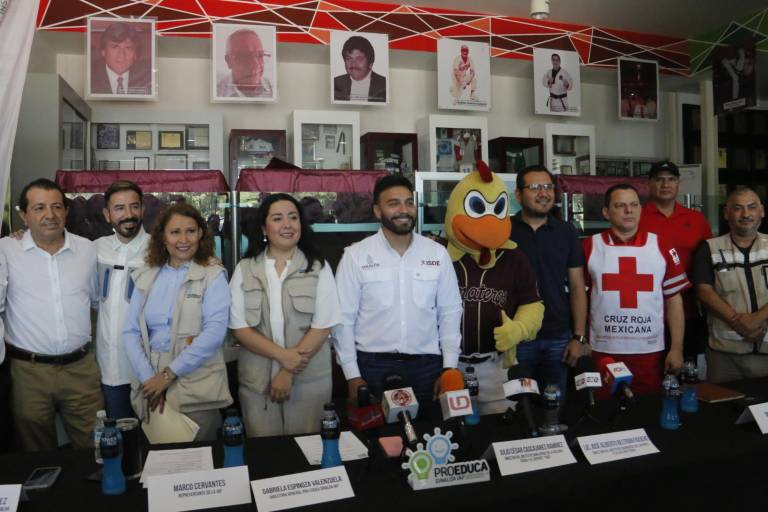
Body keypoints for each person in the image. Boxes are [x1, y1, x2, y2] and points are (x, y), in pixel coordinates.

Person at [333, 174, 462, 408]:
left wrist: (450, 367)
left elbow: (450, 312)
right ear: (377, 210)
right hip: (373, 367)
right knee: (378, 441)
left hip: (428, 368)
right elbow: (343, 319)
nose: (404, 210)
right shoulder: (355, 256)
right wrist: (352, 375)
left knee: (429, 438)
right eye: (393, 203)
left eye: (409, 202)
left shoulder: (437, 254)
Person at [0, 178, 102, 451]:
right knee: (36, 454)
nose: (50, 215)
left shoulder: (87, 250)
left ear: (66, 212)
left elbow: (97, 302)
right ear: (23, 215)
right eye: (40, 208)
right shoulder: (6, 250)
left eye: (57, 207)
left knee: (95, 449)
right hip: (29, 372)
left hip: (81, 369)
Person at [229, 193, 340, 436]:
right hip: (258, 384)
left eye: (293, 217)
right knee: (265, 457)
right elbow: (240, 328)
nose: (287, 225)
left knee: (308, 455)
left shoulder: (318, 266)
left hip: (309, 381)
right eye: (277, 218)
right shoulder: (245, 268)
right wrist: (283, 357)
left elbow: (322, 326)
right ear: (264, 228)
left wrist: (288, 371)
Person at [123, 203, 232, 441]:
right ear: (163, 237)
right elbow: (130, 332)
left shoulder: (213, 275)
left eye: (191, 231)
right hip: (150, 376)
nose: (183, 239)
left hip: (195, 381)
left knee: (199, 462)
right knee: (161, 463)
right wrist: (149, 379)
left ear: (201, 234)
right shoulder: (146, 275)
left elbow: (214, 333)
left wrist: (168, 375)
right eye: (175, 232)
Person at [443, 163, 544, 414]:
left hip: (497, 365)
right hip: (450, 366)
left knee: (501, 434)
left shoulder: (514, 257)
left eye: (497, 209)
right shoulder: (439, 256)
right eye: (477, 208)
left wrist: (518, 329)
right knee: (454, 434)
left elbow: (532, 303)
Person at [583, 184, 688, 397]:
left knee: (647, 412)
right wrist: (581, 340)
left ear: (641, 209)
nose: (628, 211)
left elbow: (674, 300)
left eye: (634, 205)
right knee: (605, 413)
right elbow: (579, 298)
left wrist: (677, 348)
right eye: (620, 205)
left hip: (649, 352)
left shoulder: (662, 245)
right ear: (606, 212)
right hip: (603, 350)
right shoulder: (589, 246)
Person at [512, 166, 588, 396]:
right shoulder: (504, 232)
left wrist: (579, 337)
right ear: (518, 195)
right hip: (517, 339)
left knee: (555, 407)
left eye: (547, 187)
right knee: (519, 408)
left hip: (558, 338)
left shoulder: (566, 232)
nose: (543, 193)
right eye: (534, 187)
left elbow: (576, 286)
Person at [692, 187, 768, 382]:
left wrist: (757, 318)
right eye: (738, 208)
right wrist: (739, 322)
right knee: (721, 410)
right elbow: (704, 291)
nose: (746, 214)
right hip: (724, 357)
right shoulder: (709, 248)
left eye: (752, 207)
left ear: (762, 211)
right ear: (726, 213)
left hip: (766, 352)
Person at [639, 161, 713, 357]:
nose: (665, 185)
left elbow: (709, 263)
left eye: (671, 179)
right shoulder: (636, 216)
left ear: (678, 183)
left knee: (685, 372)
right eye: (659, 180)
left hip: (689, 311)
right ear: (649, 184)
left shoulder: (696, 219)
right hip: (646, 313)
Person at [96, 180, 150, 419]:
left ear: (143, 210)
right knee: (119, 441)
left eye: (134, 206)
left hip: (151, 370)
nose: (129, 215)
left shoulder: (162, 249)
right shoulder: (94, 249)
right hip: (110, 368)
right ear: (107, 215)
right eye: (119, 208)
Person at [91, 21, 151, 95]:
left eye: (128, 48)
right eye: (115, 47)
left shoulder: (147, 76)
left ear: (135, 54)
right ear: (103, 51)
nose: (121, 55)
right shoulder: (91, 77)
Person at [216, 29, 273, 99]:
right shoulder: (218, 92)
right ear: (228, 61)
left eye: (260, 55)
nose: (256, 64)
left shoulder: (273, 89)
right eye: (245, 56)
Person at [333, 35, 386, 103]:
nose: (353, 64)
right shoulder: (336, 83)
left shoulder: (384, 85)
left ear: (370, 63)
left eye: (359, 59)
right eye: (349, 58)